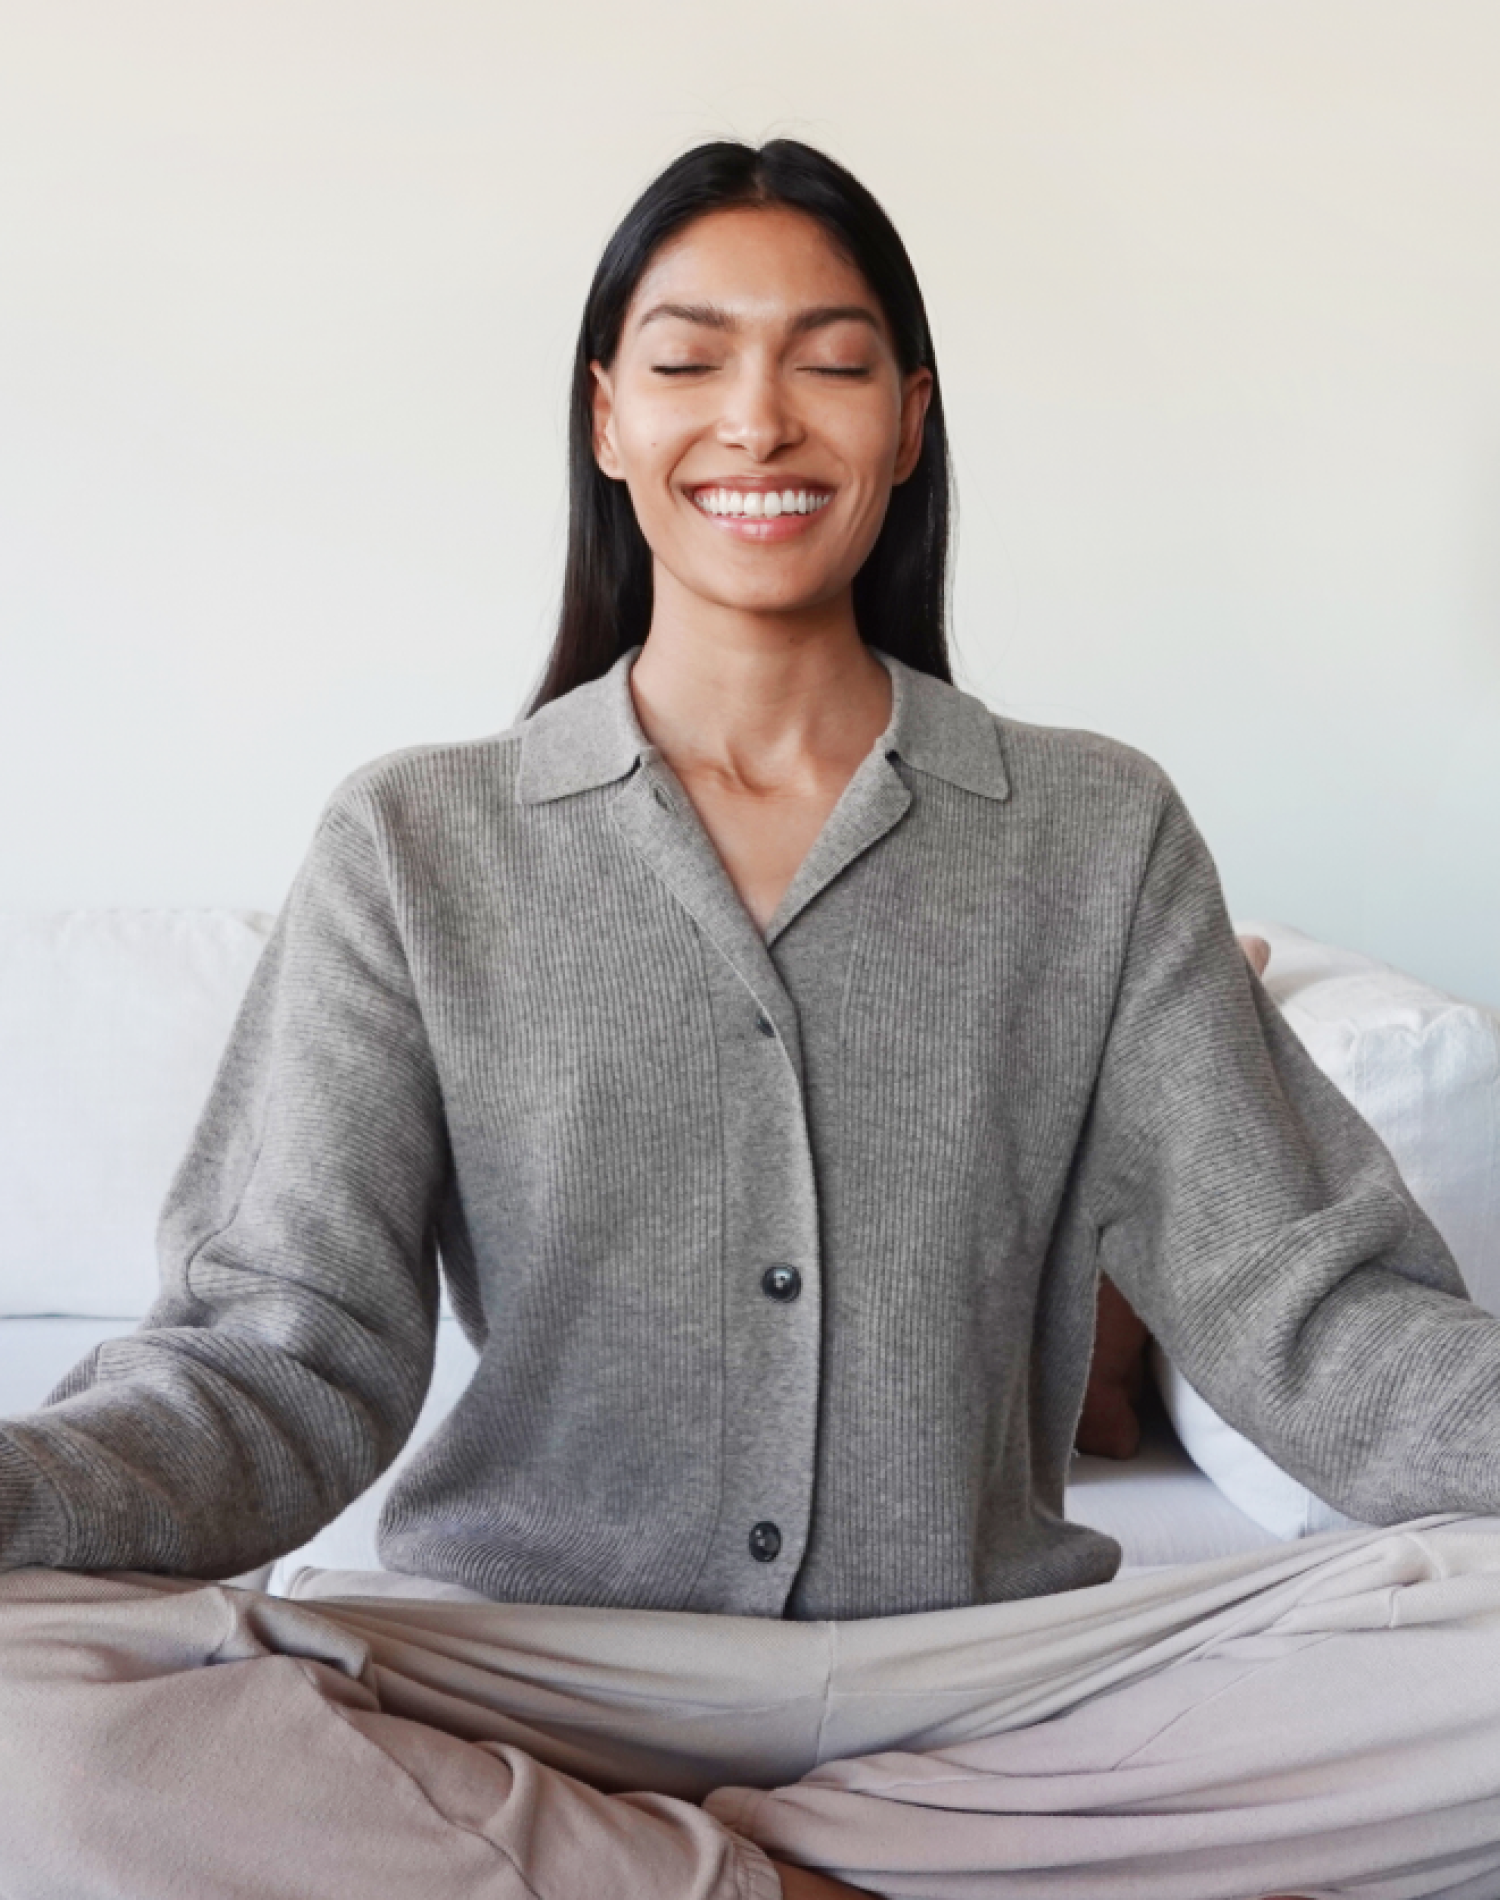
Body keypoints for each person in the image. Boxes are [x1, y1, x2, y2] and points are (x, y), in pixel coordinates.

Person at [1, 138, 1499, 1900]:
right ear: (607, 419)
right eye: (692, 358)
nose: (762, 420)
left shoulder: (1096, 833)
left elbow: (1314, 1321)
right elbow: (281, 1358)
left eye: (832, 361)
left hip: (982, 1685)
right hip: (538, 1670)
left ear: (911, 420)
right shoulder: (418, 841)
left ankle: (654, 1876)